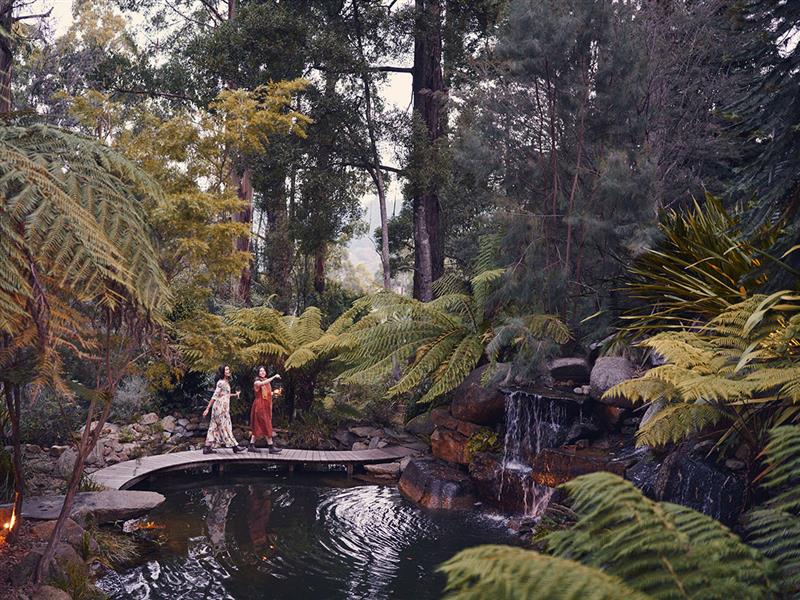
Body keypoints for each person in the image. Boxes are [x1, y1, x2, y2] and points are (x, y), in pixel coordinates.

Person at [202, 365, 245, 454]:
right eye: (227, 370)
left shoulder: (225, 382)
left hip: (223, 407)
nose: (229, 371)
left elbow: (225, 394)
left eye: (229, 369)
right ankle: (235, 446)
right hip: (220, 408)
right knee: (226, 426)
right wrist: (207, 408)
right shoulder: (221, 382)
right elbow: (215, 395)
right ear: (223, 372)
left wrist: (235, 395)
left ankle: (207, 447)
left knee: (213, 426)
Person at [249, 366, 282, 453]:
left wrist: (274, 393)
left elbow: (267, 394)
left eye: (264, 371)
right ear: (258, 373)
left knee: (259, 425)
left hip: (265, 406)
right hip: (259, 406)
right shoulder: (257, 382)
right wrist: (274, 377)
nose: (262, 372)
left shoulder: (266, 382)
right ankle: (271, 446)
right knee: (266, 424)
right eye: (260, 371)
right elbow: (261, 385)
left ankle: (251, 445)